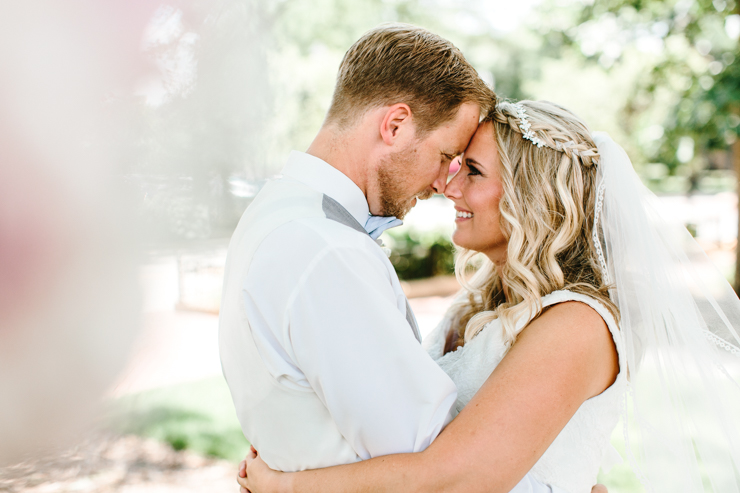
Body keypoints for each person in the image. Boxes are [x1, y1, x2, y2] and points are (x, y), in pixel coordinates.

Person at [237, 99, 740, 492]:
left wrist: (286, 486)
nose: (448, 187)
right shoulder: (474, 307)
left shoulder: (577, 326)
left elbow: (456, 480)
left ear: (533, 195)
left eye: (472, 172)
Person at [219, 23, 583, 492]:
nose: (442, 183)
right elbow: (427, 461)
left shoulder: (277, 216)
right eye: (446, 155)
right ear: (394, 125)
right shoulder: (327, 251)